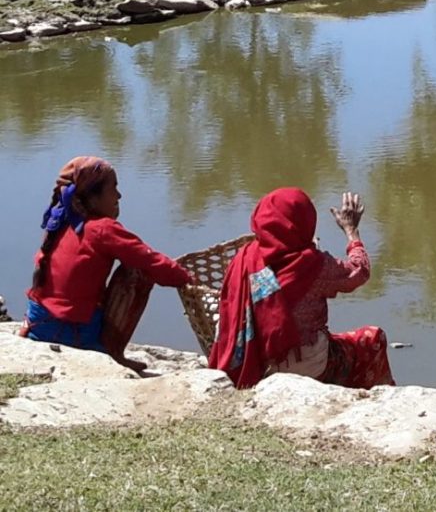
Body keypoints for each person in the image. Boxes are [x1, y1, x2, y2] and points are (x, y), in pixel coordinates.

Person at [209, 187, 394, 390]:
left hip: (256, 360)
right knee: (373, 339)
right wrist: (352, 233)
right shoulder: (313, 265)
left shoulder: (244, 259)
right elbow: (359, 271)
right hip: (305, 365)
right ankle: (371, 400)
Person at [22, 155, 193, 367]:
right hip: (67, 330)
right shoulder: (101, 229)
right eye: (113, 188)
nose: (119, 195)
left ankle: (104, 348)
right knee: (137, 272)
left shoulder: (61, 220)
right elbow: (150, 261)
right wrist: (186, 278)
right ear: (93, 198)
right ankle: (110, 351)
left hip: (39, 323)